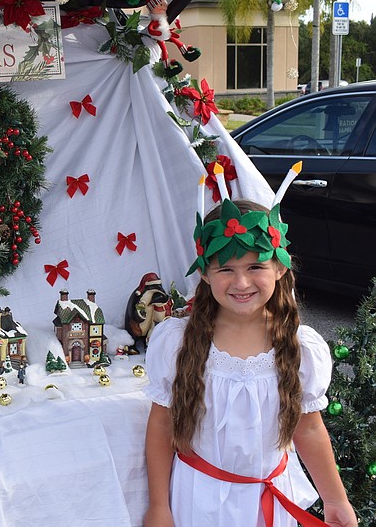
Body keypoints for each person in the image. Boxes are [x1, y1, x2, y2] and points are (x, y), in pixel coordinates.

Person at [143, 198, 356, 527]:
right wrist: (159, 506)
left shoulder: (300, 347)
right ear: (204, 272)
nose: (241, 283)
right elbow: (161, 425)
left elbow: (309, 428)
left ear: (280, 267)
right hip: (199, 501)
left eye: (255, 267)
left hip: (268, 502)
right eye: (226, 269)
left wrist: (335, 498)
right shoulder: (177, 342)